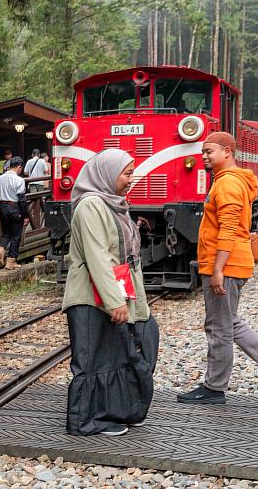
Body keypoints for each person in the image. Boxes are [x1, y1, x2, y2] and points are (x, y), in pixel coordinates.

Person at [61, 149, 158, 436]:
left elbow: (125, 259)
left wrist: (133, 302)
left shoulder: (114, 204)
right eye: (126, 174)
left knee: (117, 355)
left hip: (111, 293)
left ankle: (117, 411)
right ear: (107, 174)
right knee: (94, 360)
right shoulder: (91, 205)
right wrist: (116, 302)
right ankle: (87, 421)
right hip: (91, 298)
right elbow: (98, 257)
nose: (131, 179)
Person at [177, 132, 258, 405]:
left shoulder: (228, 184)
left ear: (227, 151)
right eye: (203, 151)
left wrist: (217, 269)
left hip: (225, 266)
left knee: (220, 327)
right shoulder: (227, 180)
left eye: (210, 151)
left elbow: (228, 229)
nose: (204, 156)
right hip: (230, 264)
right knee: (229, 323)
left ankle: (214, 388)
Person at [0, 157, 29, 270]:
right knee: (16, 235)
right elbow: (22, 200)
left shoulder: (0, 178)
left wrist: (1, 207)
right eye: (21, 168)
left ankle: (1, 249)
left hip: (3, 207)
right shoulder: (19, 180)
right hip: (15, 207)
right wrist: (26, 215)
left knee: (6, 233)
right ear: (19, 167)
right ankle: (11, 261)